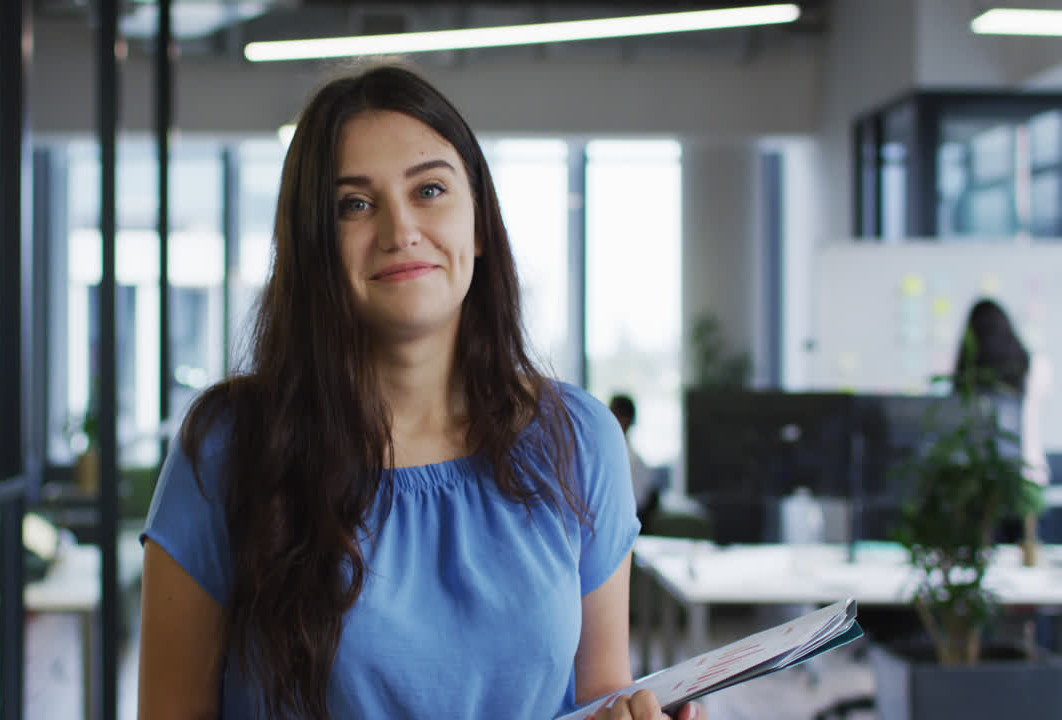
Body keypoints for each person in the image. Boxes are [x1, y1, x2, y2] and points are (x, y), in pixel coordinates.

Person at [137, 64, 702, 720]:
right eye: (354, 203)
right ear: (315, 245)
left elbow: (600, 690)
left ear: (480, 224)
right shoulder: (229, 446)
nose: (399, 229)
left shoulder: (577, 438)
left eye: (430, 189)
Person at [953, 298, 1053, 545]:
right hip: (1025, 471)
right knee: (1026, 541)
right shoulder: (1034, 367)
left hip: (974, 472)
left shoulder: (966, 372)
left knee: (978, 537)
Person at [609, 393, 658, 527]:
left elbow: (634, 506)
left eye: (612, 415)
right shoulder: (614, 453)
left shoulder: (632, 461)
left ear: (624, 421)